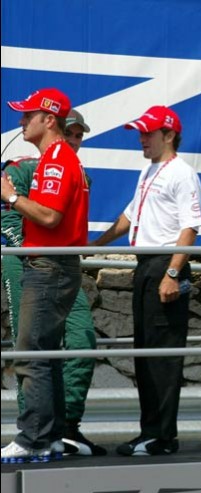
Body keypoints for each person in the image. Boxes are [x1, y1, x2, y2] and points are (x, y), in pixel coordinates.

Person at [91, 105, 201, 456]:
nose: (141, 140)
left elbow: (190, 227)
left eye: (148, 133)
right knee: (145, 352)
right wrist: (92, 245)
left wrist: (172, 273)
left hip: (165, 264)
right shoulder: (150, 170)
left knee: (163, 355)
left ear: (169, 135)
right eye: (140, 133)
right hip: (146, 265)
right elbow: (128, 216)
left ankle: (162, 436)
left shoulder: (182, 173)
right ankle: (149, 431)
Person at [1, 110, 105, 457]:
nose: (75, 141)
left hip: (51, 265)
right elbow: (9, 218)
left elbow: (50, 216)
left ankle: (44, 434)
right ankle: (45, 433)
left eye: (80, 136)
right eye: (72, 133)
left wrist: (12, 198)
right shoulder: (29, 165)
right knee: (35, 351)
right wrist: (22, 247)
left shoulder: (63, 165)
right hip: (34, 263)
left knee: (42, 351)